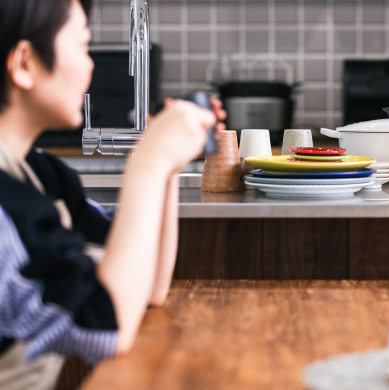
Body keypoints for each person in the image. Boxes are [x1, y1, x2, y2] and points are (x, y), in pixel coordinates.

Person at [0, 0, 226, 388]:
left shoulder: (39, 174)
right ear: (24, 64)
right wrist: (148, 162)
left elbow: (144, 285)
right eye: (82, 46)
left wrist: (167, 162)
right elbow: (107, 325)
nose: (90, 66)